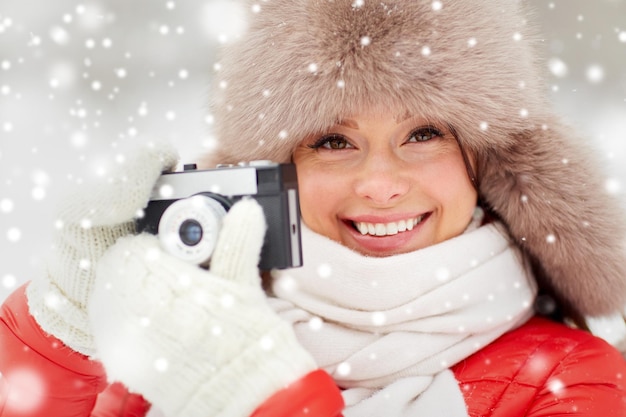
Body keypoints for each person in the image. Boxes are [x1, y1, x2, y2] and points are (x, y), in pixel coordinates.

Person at [1, 0, 626, 416]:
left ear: (491, 162)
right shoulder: (176, 340)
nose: (380, 184)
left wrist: (263, 396)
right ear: (275, 172)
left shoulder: (576, 381)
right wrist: (66, 335)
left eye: (425, 134)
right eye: (333, 141)